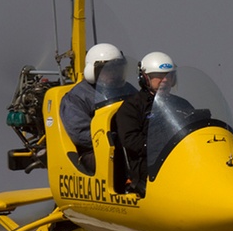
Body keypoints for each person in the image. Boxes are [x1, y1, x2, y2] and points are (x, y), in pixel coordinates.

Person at [114, 51, 190, 195]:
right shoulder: (132, 106)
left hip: (180, 162)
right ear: (144, 78)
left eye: (169, 76)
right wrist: (163, 145)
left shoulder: (181, 105)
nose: (165, 80)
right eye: (158, 76)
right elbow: (131, 141)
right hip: (148, 166)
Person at [60, 43, 133, 173]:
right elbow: (80, 133)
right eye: (107, 70)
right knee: (123, 157)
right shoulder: (77, 97)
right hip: (94, 151)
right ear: (92, 71)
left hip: (127, 145)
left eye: (116, 69)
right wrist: (113, 139)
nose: (113, 74)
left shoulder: (128, 90)